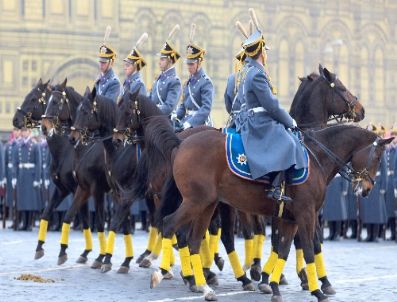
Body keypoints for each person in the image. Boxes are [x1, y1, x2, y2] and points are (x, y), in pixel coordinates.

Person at [236, 10, 306, 202]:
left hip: (251, 118)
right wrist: (290, 120)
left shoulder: (249, 71)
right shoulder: (257, 74)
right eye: (265, 50)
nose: (267, 54)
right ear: (261, 52)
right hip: (259, 121)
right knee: (289, 142)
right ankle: (275, 187)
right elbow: (271, 106)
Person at [175, 23, 214, 130]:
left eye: (191, 64)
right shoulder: (188, 82)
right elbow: (183, 106)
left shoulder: (205, 82)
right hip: (187, 121)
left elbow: (206, 108)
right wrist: (175, 118)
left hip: (201, 124)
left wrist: (190, 123)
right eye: (188, 63)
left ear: (199, 63)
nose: (189, 67)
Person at [149, 24, 182, 116]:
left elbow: (168, 107)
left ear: (170, 61)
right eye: (160, 59)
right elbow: (150, 99)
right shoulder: (158, 79)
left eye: (162, 59)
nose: (159, 62)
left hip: (166, 121)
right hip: (154, 119)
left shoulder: (175, 81)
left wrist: (150, 112)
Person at [13, 128, 42, 231]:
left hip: (31, 175)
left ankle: (29, 224)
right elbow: (15, 163)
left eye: (26, 131)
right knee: (22, 201)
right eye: (23, 131)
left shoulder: (34, 145)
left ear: (29, 132)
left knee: (30, 201)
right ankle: (24, 223)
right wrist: (14, 177)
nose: (24, 133)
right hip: (21, 175)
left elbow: (38, 163)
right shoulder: (18, 145)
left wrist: (37, 179)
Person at [95, 25, 121, 102]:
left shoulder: (114, 82)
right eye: (100, 62)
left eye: (104, 62)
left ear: (111, 62)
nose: (101, 64)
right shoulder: (99, 78)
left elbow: (107, 106)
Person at [121, 32, 148, 97]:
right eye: (125, 65)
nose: (125, 68)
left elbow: (141, 106)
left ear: (135, 66)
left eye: (128, 65)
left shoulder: (139, 84)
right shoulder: (126, 82)